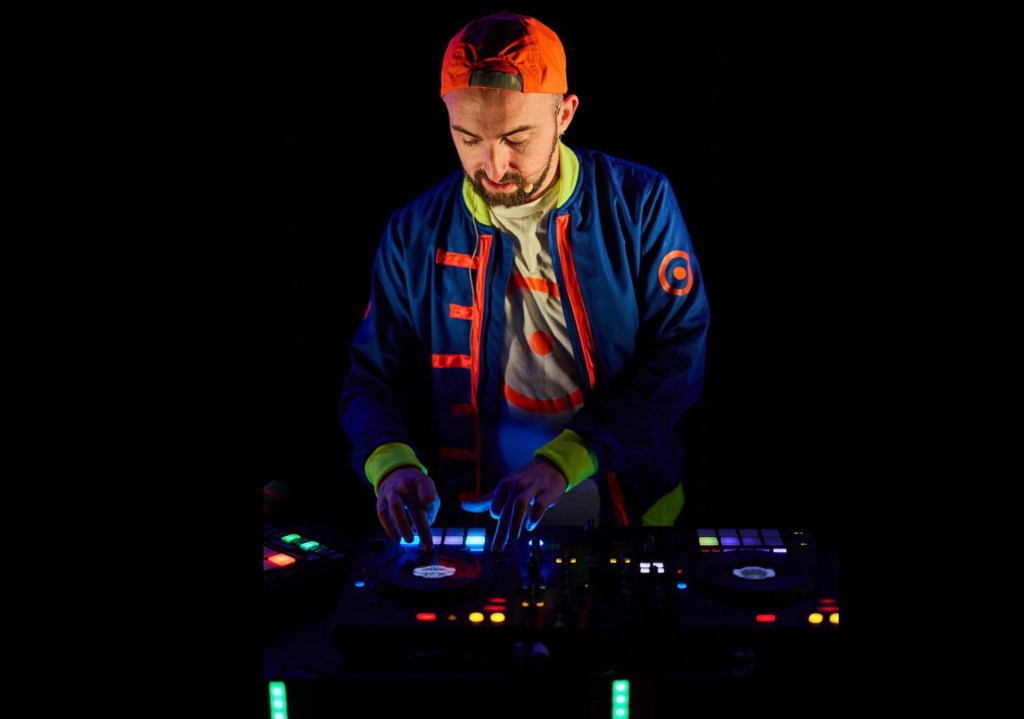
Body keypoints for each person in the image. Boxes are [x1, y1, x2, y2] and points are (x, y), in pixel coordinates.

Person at [339, 12, 709, 553]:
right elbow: (371, 377)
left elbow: (678, 356)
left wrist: (565, 461)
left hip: (633, 514)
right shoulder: (412, 232)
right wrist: (390, 464)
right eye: (468, 139)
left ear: (565, 113)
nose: (493, 166)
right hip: (475, 528)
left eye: (516, 138)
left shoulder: (640, 202)